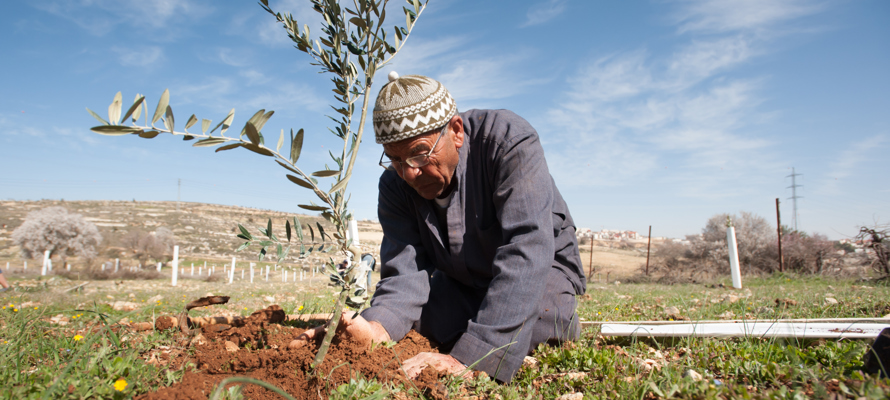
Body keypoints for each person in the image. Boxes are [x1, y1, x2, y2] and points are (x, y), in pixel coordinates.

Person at [292, 73, 586, 383]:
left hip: (543, 270)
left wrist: (469, 359)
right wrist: (374, 328)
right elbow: (405, 276)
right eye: (394, 158)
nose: (409, 172)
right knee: (420, 323)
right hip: (463, 282)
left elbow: (528, 246)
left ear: (456, 132)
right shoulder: (394, 186)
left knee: (542, 318)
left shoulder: (508, 142)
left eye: (419, 153)